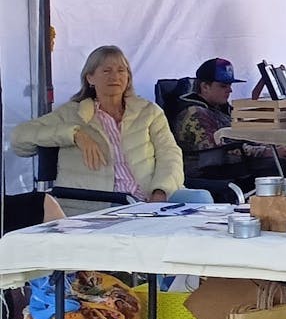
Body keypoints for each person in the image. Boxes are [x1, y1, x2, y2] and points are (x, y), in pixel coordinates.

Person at [11, 46, 183, 214]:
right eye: (107, 71)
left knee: (201, 198)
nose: (115, 76)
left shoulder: (149, 112)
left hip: (152, 197)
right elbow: (19, 138)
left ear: (128, 77)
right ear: (90, 78)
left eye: (121, 70)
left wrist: (160, 192)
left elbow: (169, 154)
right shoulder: (73, 113)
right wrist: (74, 134)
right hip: (102, 203)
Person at [173, 58, 286, 187]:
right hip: (211, 171)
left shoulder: (221, 108)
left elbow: (247, 134)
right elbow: (224, 150)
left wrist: (276, 144)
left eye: (230, 85)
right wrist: (270, 152)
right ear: (205, 86)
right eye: (223, 86)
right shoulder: (194, 114)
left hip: (234, 163)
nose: (230, 90)